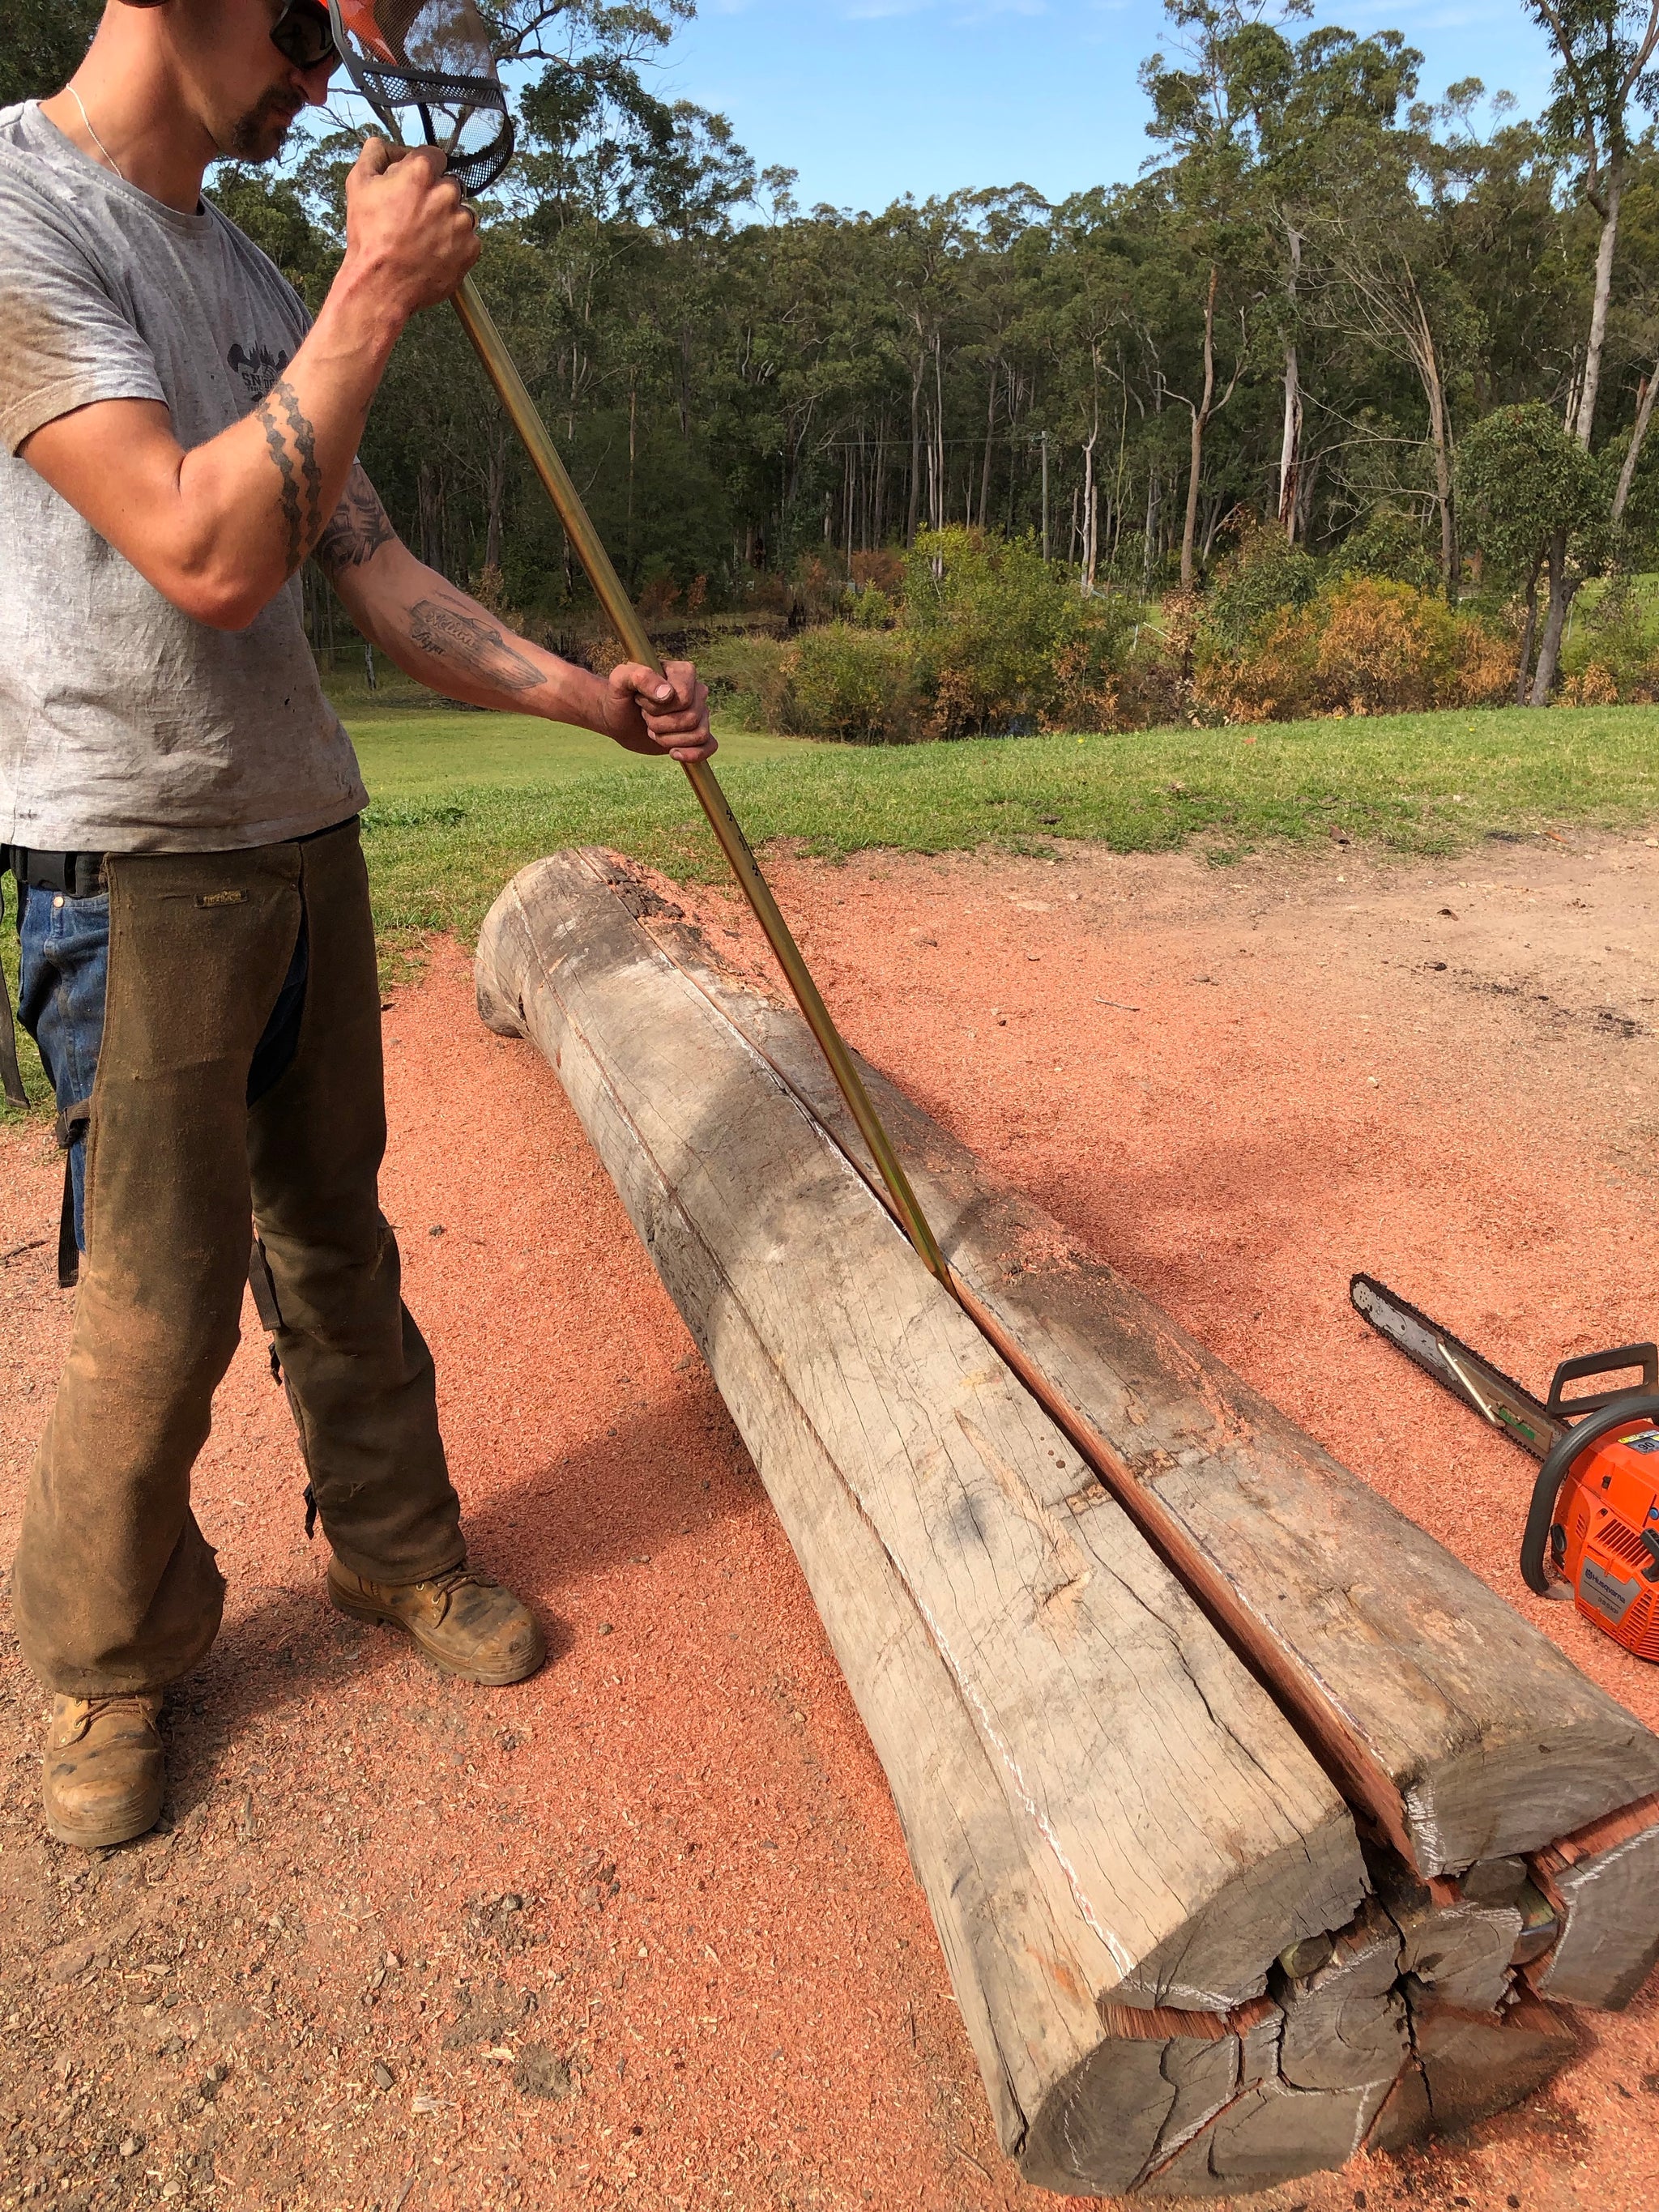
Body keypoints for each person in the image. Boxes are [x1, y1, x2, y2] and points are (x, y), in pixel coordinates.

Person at [0, 0, 716, 1852]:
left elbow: (376, 575)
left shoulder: (252, 280)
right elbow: (204, 551)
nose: (326, 78)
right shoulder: (21, 215)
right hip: (133, 857)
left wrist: (590, 698)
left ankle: (393, 1547)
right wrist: (377, 290)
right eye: (306, 26)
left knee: (334, 1231)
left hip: (305, 827)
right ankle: (109, 1654)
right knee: (156, 1302)